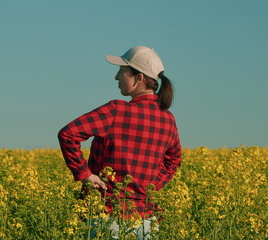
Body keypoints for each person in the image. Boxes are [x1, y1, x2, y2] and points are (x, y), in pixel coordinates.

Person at [58, 46, 182, 238]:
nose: (117, 77)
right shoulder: (168, 118)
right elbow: (174, 160)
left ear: (138, 78)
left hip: (108, 216)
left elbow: (68, 134)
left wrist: (85, 175)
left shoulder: (115, 110)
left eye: (122, 71)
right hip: (146, 223)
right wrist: (150, 186)